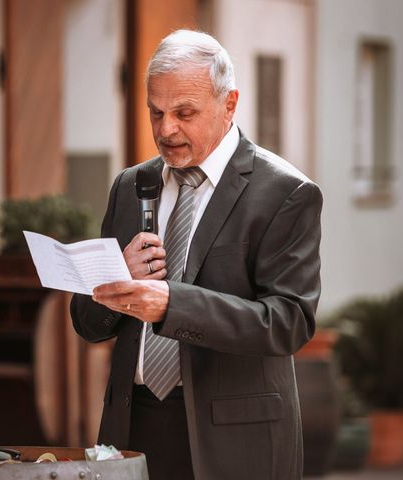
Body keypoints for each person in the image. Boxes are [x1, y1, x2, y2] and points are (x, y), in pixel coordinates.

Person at [70, 29, 322, 480]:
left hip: (235, 441)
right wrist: (112, 277)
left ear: (229, 104)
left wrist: (172, 304)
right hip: (133, 427)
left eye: (184, 113)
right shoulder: (131, 187)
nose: (166, 129)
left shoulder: (285, 193)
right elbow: (87, 325)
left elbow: (289, 322)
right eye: (156, 112)